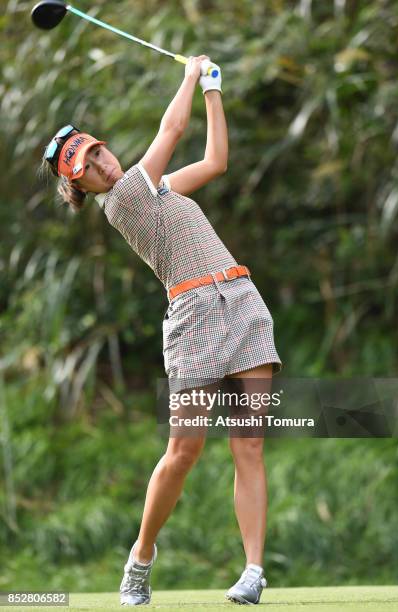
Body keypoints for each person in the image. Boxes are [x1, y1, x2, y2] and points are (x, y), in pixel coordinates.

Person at [41, 55, 283, 606]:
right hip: (193, 316)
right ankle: (141, 558)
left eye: (99, 151)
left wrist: (214, 90)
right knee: (185, 449)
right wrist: (191, 74)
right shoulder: (123, 199)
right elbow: (171, 129)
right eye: (88, 166)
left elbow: (216, 160)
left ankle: (253, 570)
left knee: (248, 443)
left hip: (242, 302)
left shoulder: (161, 188)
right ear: (80, 182)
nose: (102, 163)